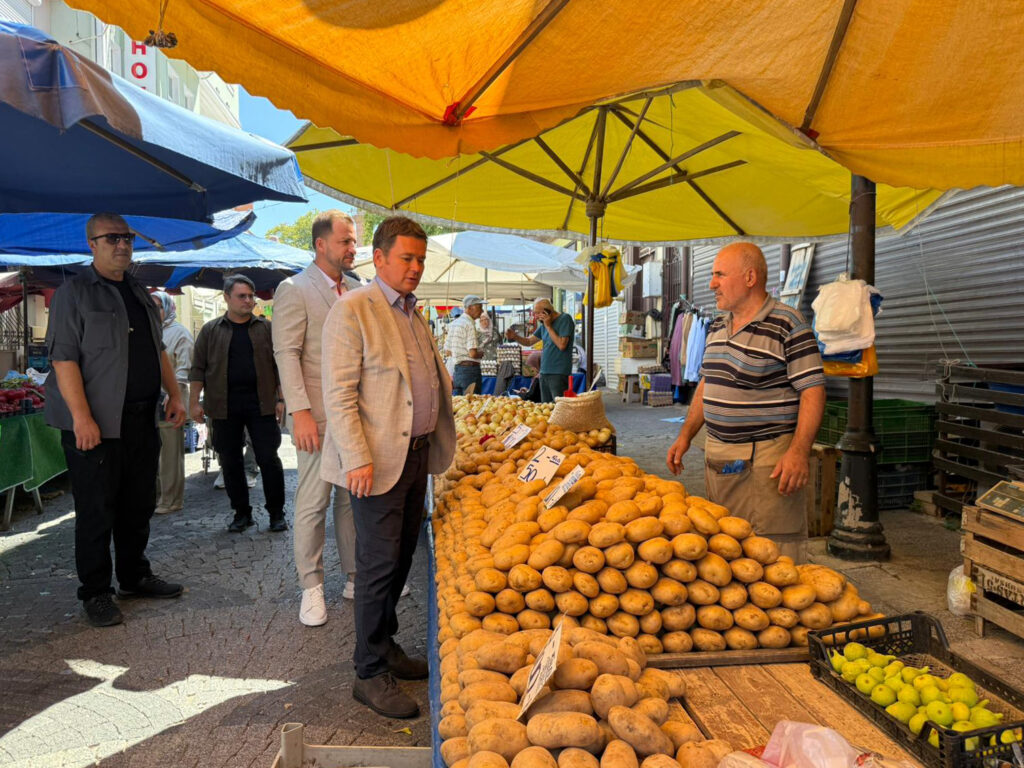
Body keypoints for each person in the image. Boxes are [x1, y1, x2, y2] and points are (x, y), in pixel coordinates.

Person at [320, 216, 456, 718]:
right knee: (377, 567)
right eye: (407, 258)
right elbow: (339, 392)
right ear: (378, 258)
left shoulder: (413, 313)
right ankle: (369, 671)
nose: (417, 268)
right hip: (374, 462)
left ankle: (386, 644)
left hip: (416, 454)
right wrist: (356, 456)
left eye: (421, 259)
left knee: (400, 560)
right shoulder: (354, 309)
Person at [45, 213, 185, 628]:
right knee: (96, 511)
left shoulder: (141, 292)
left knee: (138, 503)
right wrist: (82, 418)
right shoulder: (74, 293)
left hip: (142, 419)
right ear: (92, 244)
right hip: (95, 425)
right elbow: (63, 358)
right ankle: (96, 592)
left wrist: (174, 394)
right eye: (111, 238)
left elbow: (158, 349)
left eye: (126, 238)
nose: (122, 245)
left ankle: (134, 575)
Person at [665, 242, 825, 562]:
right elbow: (709, 384)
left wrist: (798, 451)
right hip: (720, 457)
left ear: (750, 277)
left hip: (767, 461)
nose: (712, 284)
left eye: (720, 275)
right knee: (727, 549)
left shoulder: (788, 324)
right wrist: (685, 435)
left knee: (773, 556)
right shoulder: (717, 327)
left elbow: (813, 390)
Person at [272, 210, 361, 626]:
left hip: (355, 416)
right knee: (312, 502)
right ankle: (311, 587)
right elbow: (286, 353)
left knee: (351, 499)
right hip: (317, 417)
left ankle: (354, 576)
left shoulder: (357, 288)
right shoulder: (294, 289)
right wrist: (300, 412)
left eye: (354, 240)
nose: (353, 248)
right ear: (321, 244)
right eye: (345, 241)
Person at [190, 275, 287, 533]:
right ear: (227, 297)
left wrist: (281, 398)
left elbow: (279, 365)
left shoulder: (265, 328)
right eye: (242, 296)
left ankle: (276, 513)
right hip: (223, 406)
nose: (248, 300)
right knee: (230, 461)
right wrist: (193, 403)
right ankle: (241, 513)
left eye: (250, 295)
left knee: (268, 458)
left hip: (262, 403)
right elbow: (198, 369)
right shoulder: (211, 330)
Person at [151, 291, 194, 516]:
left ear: (167, 308)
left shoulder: (180, 334)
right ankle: (157, 496)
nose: (154, 310)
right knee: (154, 454)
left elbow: (185, 368)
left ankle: (171, 499)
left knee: (169, 456)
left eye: (158, 306)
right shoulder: (149, 330)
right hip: (151, 400)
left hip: (170, 401)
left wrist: (173, 392)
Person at [505, 298, 575, 402]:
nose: (536, 317)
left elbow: (562, 345)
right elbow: (529, 342)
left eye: (537, 313)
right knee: (545, 407)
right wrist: (515, 336)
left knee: (559, 407)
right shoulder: (544, 326)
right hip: (544, 372)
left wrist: (548, 326)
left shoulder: (565, 319)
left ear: (547, 311)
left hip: (558, 373)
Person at [445, 294, 488, 395]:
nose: (482, 311)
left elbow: (448, 351)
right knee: (472, 405)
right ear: (469, 308)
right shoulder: (469, 324)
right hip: (470, 371)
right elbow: (473, 354)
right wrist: (480, 353)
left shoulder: (454, 323)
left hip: (458, 371)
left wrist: (460, 353)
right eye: (479, 308)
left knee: (460, 405)